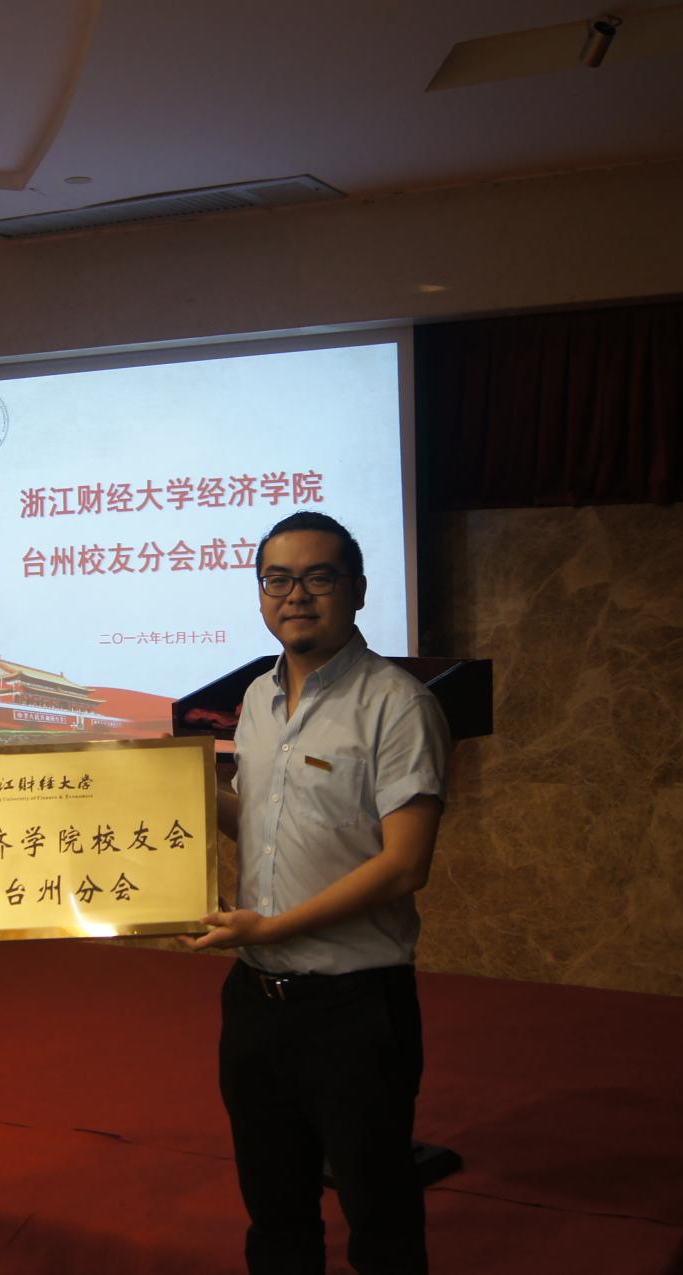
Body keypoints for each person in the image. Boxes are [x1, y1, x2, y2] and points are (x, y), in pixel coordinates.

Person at [186, 510, 450, 1275]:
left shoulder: (398, 704)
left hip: (355, 1009)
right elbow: (254, 819)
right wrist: (177, 791)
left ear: (358, 590)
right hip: (255, 1002)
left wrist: (271, 928)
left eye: (318, 576)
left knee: (381, 1220)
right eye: (278, 578)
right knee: (276, 1216)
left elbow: (405, 865)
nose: (295, 594)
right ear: (260, 593)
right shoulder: (256, 699)